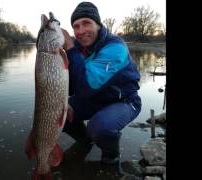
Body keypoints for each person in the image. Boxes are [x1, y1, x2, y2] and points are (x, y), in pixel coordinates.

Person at [60, 1, 141, 165]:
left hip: (124, 100)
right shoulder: (78, 48)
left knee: (99, 127)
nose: (80, 31)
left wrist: (69, 46)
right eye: (76, 26)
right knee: (57, 113)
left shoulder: (115, 47)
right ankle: (85, 141)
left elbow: (85, 86)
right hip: (96, 97)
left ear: (98, 24)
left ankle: (110, 156)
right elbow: (71, 87)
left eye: (86, 23)